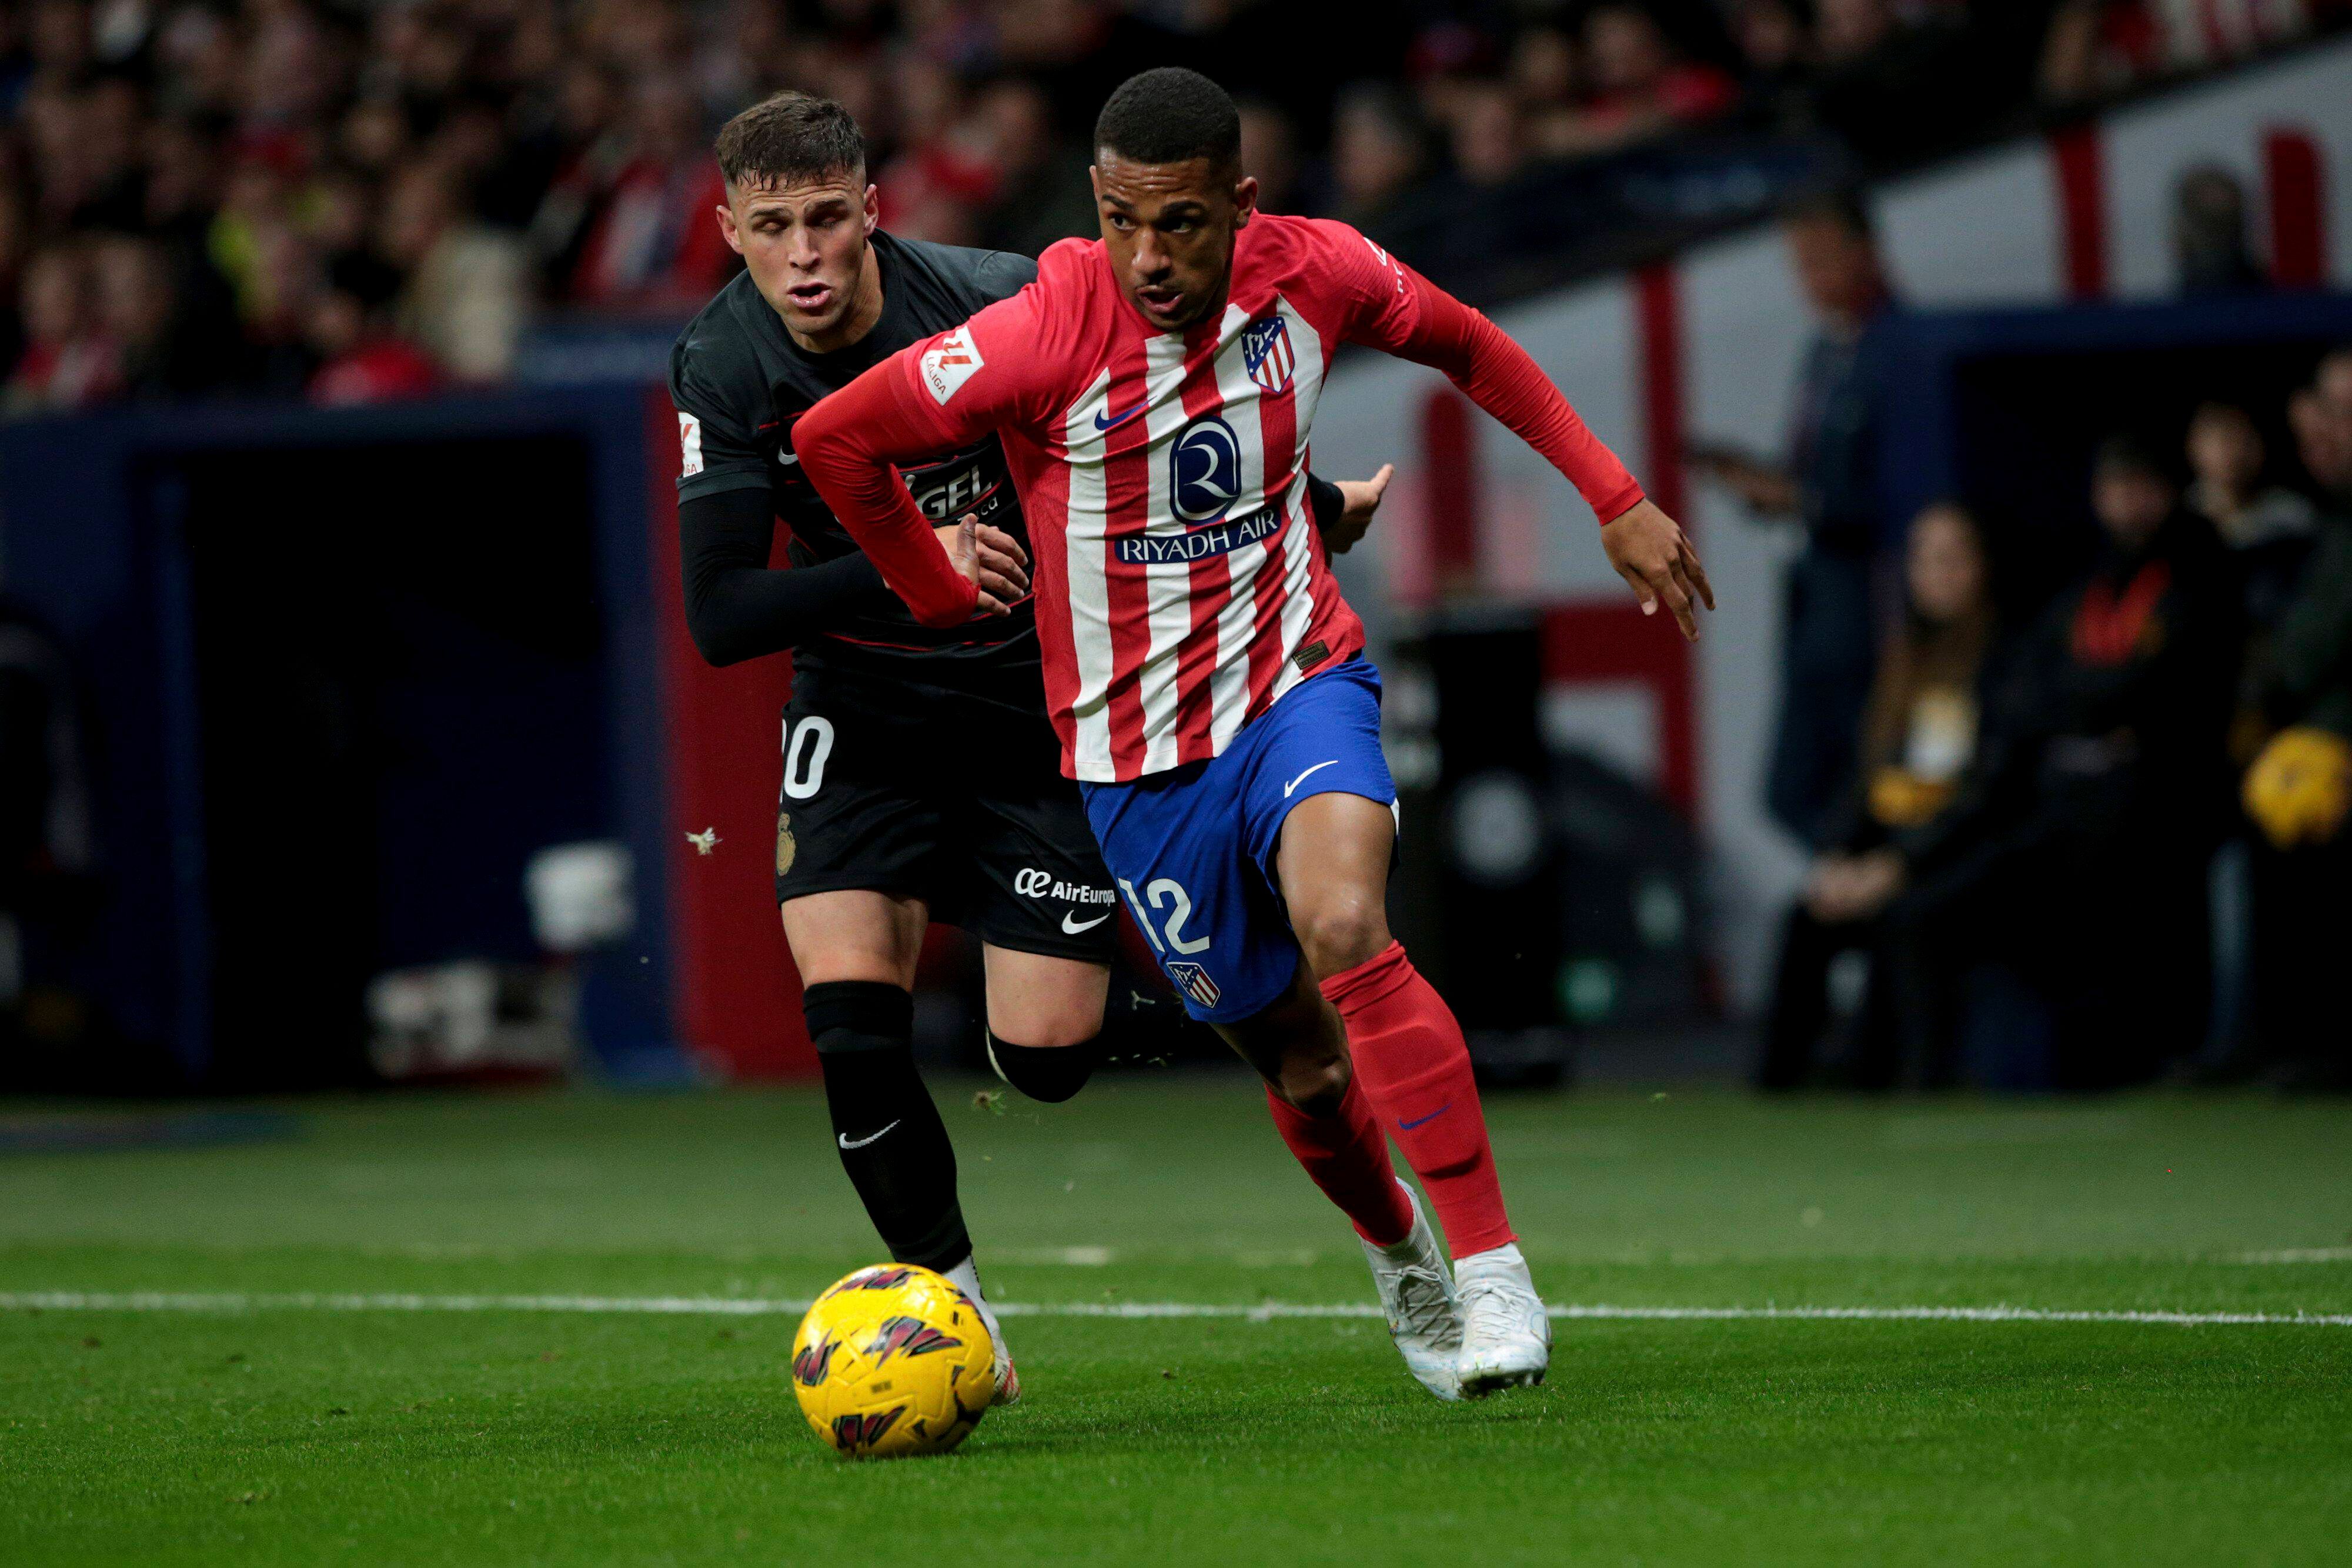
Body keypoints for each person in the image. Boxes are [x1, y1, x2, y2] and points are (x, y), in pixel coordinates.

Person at [794, 67, 1712, 1399]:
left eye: (1178, 224)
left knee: (1346, 925)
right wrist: (934, 587)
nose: (1148, 258)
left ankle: (1493, 1274)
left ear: (1241, 204)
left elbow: (1468, 342)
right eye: (1121, 221)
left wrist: (1613, 495)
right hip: (1133, 764)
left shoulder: (1317, 273)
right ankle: (1396, 1247)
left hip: (1296, 683)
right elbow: (836, 440)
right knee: (1298, 1058)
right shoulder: (1043, 330)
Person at [666, 91, 1389, 1403]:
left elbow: (1173, 417)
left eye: (827, 217)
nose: (806, 255)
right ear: (730, 231)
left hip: (1029, 707)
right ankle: (966, 1330)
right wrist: (899, 571)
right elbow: (719, 614)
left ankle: (1222, 995)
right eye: (772, 229)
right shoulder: (722, 364)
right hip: (864, 712)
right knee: (847, 1016)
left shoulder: (999, 297)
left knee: (1047, 1058)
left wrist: (1314, 500)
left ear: (872, 206)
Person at [1870, 437, 2241, 1088]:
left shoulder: (2197, 573)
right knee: (1921, 912)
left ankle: (2165, 1062)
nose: (2127, 504)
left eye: (2142, 486)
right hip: (2057, 816)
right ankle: (1912, 1084)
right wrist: (2099, 695)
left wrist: (2092, 695)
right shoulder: (2086, 585)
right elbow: (2035, 697)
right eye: (2114, 487)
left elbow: (2160, 689)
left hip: (2160, 808)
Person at [1758, 502, 2003, 1091]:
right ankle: (1778, 1090)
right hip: (1894, 857)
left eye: (1951, 559)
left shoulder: (2005, 663)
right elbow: (1870, 782)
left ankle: (1913, 1082)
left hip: (1969, 858)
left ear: (1980, 568)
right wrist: (1840, 859)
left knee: (1907, 915)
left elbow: (1989, 793)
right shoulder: (1901, 665)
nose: (1936, 574)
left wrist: (1900, 865)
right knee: (1807, 915)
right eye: (1923, 559)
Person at [1693, 190, 1896, 845]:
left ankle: (1873, 893)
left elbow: (1901, 494)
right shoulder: (1821, 352)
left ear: (1864, 253)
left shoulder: (1898, 350)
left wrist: (1801, 501)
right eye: (1798, 265)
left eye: (1820, 260)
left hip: (1867, 612)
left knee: (1863, 792)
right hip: (1812, 608)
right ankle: (1861, 888)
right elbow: (1812, 477)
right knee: (1790, 793)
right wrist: (1762, 487)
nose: (1808, 280)